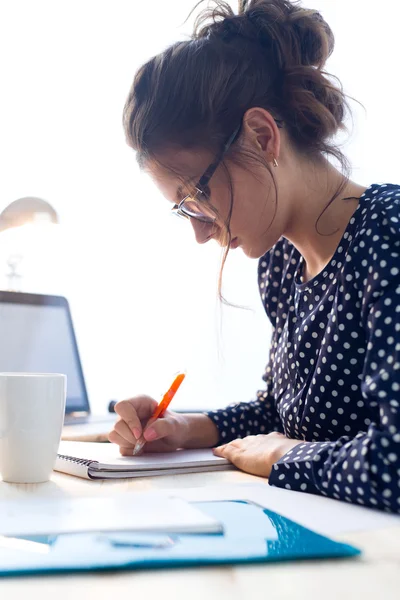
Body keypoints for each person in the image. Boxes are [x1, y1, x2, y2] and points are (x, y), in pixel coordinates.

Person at [109, 0, 400, 513]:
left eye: (196, 196)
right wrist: (181, 429)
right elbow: (282, 415)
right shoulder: (281, 265)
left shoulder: (389, 234)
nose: (200, 233)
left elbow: (393, 462)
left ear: (262, 136)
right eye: (183, 211)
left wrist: (285, 458)